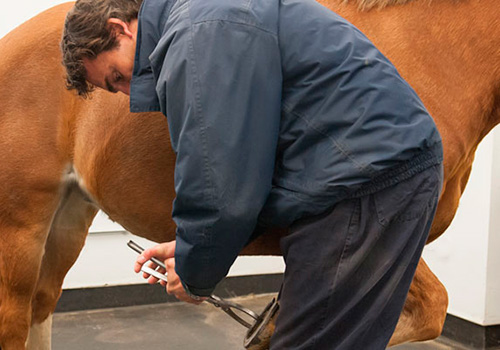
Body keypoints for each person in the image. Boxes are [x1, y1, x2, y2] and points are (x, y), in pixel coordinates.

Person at [61, 0, 443, 348]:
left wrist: (194, 270)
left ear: (119, 29)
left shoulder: (200, 33)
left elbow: (221, 184)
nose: (129, 93)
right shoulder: (207, 18)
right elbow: (251, 165)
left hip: (366, 183)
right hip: (368, 174)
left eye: (116, 78)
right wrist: (193, 247)